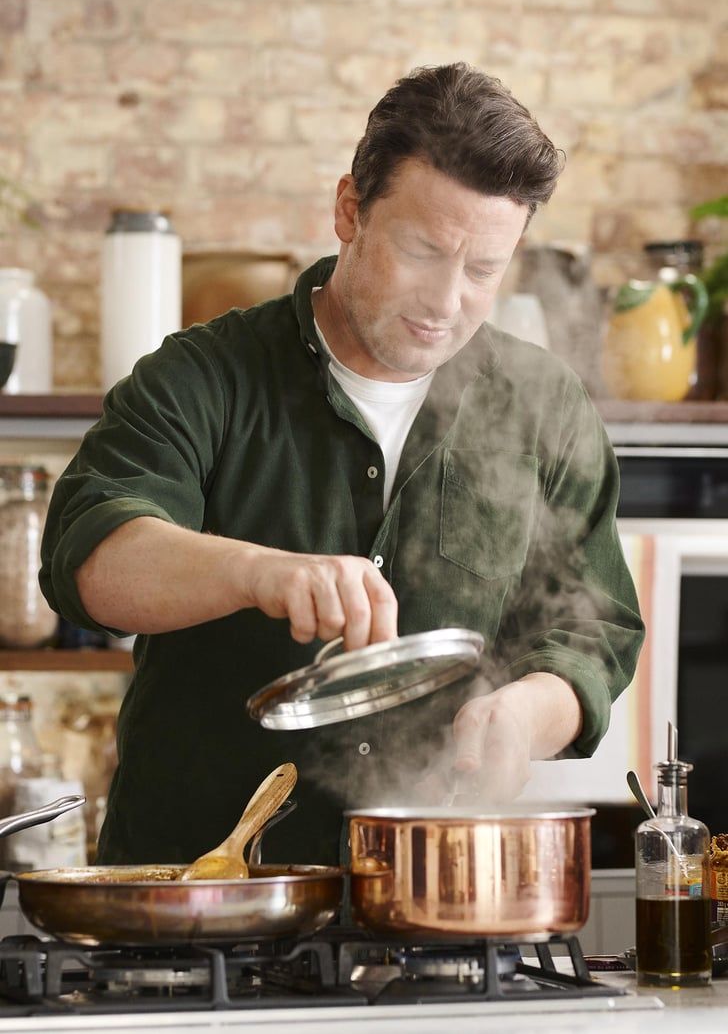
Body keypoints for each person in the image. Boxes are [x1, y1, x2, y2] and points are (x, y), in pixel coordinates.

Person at [40, 63, 644, 866]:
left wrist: (533, 709)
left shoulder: (545, 406)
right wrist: (259, 573)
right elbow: (88, 560)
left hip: (438, 898)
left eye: (483, 270)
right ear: (349, 212)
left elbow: (593, 628)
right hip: (200, 896)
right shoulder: (201, 375)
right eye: (424, 251)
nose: (446, 299)